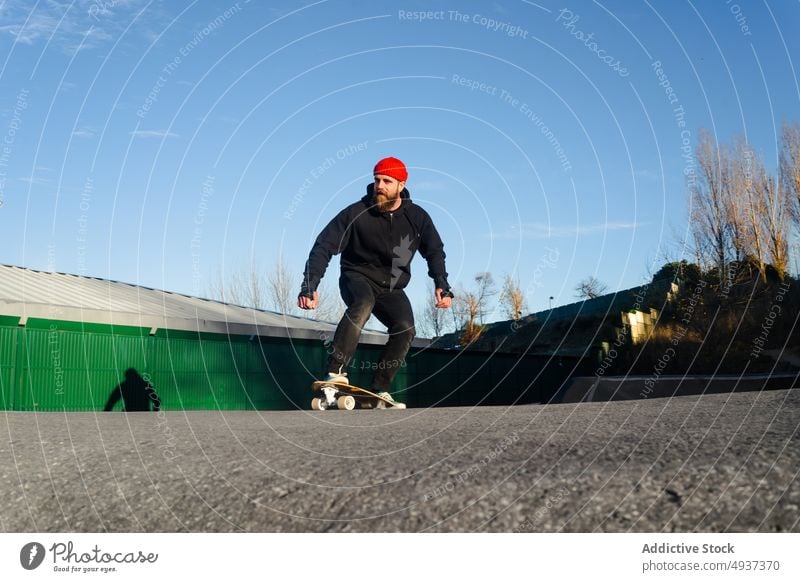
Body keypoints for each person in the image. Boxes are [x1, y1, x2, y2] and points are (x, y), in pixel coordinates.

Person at [298, 156, 453, 406]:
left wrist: (442, 283)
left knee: (405, 328)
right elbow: (323, 246)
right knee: (362, 305)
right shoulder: (356, 213)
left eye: (387, 181)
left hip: (392, 287)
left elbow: (434, 250)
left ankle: (380, 389)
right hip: (356, 276)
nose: (380, 186)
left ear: (401, 185)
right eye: (377, 180)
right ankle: (335, 371)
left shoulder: (417, 217)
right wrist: (309, 284)